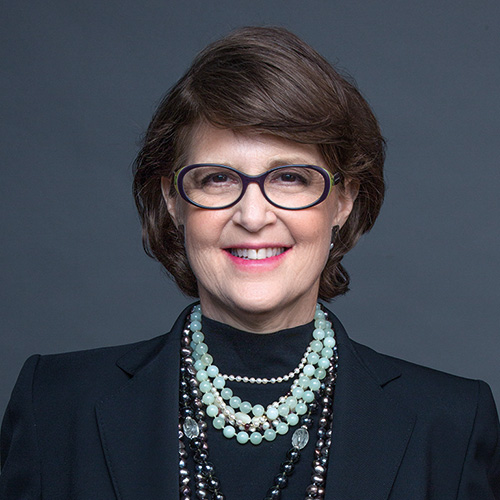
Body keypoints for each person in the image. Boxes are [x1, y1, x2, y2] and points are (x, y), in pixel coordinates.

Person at [1, 26, 499, 500]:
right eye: (217, 178)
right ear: (173, 200)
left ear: (343, 201)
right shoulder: (54, 406)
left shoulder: (451, 426)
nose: (253, 216)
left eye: (291, 178)